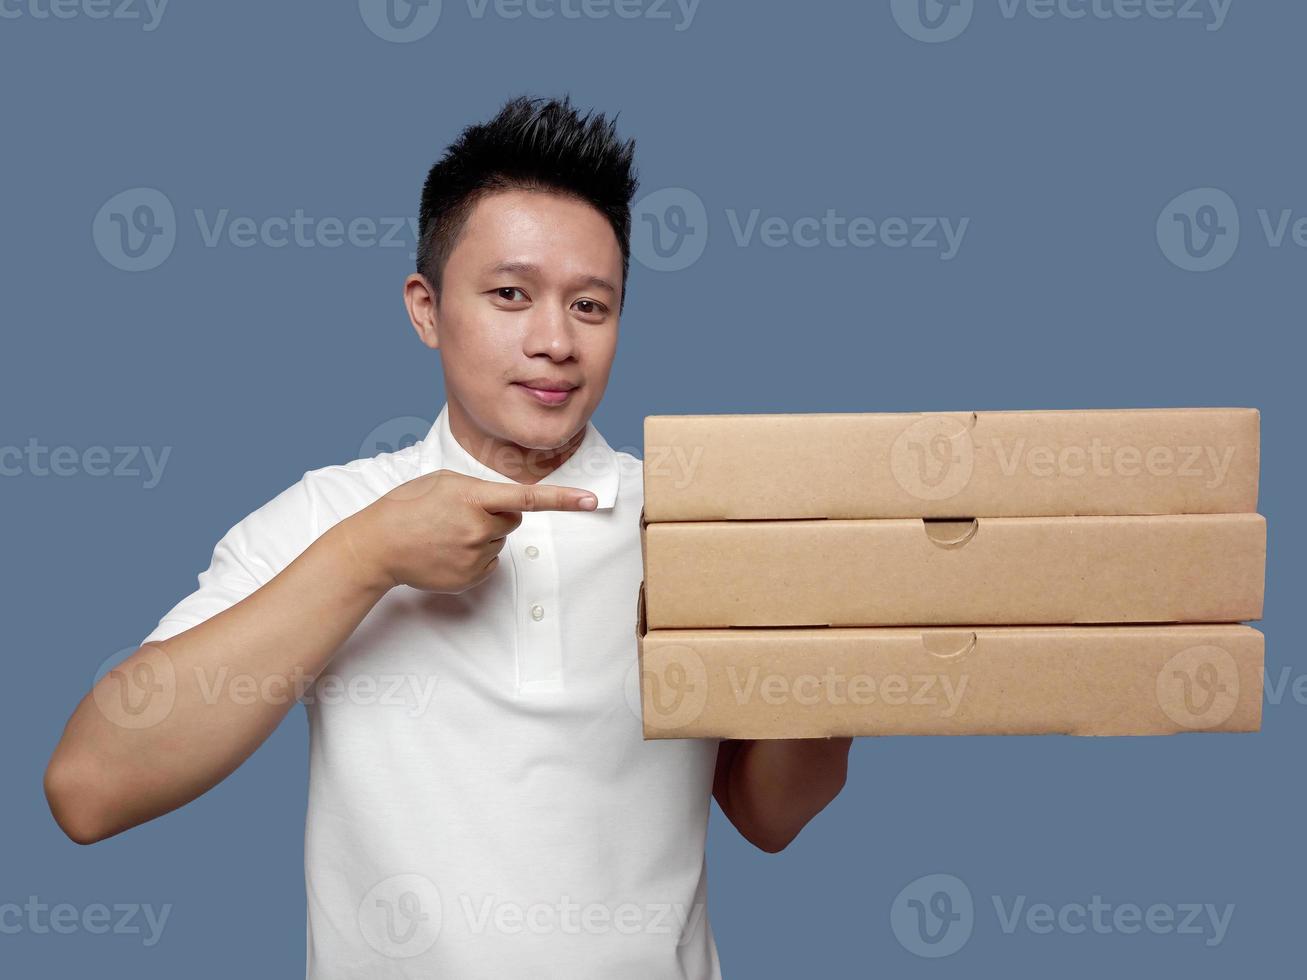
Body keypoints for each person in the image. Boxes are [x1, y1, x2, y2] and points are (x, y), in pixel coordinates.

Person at [44, 93, 851, 978]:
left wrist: (833, 657)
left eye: (591, 306)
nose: (554, 341)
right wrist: (365, 559)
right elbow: (90, 789)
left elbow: (769, 817)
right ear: (425, 308)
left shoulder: (692, 525)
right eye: (511, 294)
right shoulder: (328, 517)